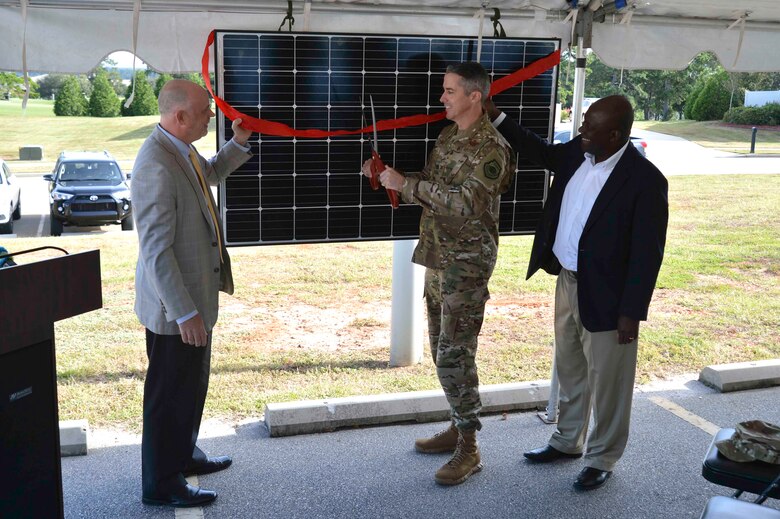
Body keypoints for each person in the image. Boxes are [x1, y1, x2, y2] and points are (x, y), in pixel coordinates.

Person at [487, 96, 668, 490]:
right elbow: (539, 150)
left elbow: (646, 255)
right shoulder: (577, 153)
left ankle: (603, 456)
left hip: (609, 295)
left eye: (589, 126)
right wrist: (496, 114)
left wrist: (630, 312)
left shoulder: (645, 181)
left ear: (615, 135)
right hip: (567, 281)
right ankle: (568, 441)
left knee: (609, 382)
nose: (581, 130)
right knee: (570, 368)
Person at [362, 62, 515, 486]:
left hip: (467, 264)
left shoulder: (493, 149)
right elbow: (432, 188)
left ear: (474, 96)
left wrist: (406, 185)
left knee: (455, 352)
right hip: (438, 256)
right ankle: (457, 424)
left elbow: (465, 202)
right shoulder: (449, 136)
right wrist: (392, 180)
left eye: (449, 91)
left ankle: (470, 447)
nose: (442, 98)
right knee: (440, 346)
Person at [132, 79, 253, 507]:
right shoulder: (156, 164)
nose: (212, 117)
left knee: (190, 386)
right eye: (205, 111)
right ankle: (162, 483)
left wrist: (237, 143)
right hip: (174, 309)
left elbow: (211, 173)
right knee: (169, 395)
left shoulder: (179, 150)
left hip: (193, 300)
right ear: (179, 116)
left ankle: (183, 456)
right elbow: (156, 251)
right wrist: (185, 313)